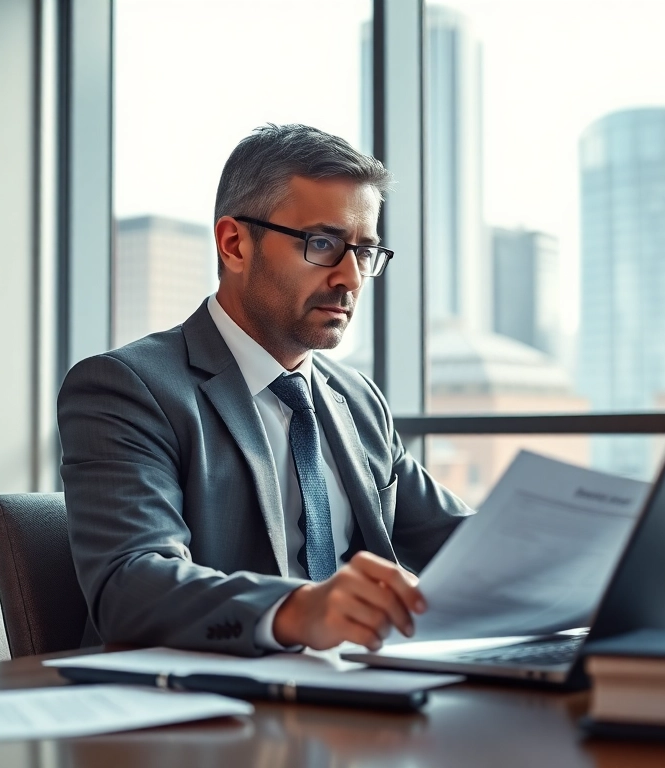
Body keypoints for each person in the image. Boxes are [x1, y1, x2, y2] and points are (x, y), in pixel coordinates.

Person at [58, 123, 473, 656]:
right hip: (202, 715)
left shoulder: (359, 401)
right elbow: (132, 587)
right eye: (322, 244)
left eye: (364, 251)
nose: (350, 277)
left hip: (355, 699)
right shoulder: (128, 389)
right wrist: (299, 610)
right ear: (234, 244)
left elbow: (465, 549)